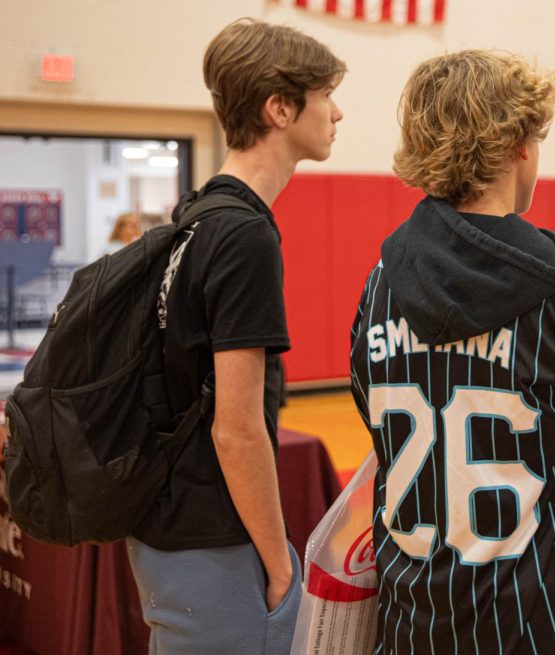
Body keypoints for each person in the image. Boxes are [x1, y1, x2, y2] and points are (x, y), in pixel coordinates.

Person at [350, 49, 555, 653]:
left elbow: (372, 415)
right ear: (519, 143)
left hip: (415, 613)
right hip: (540, 615)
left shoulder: (382, 280)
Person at [125, 18, 344, 654]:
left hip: (165, 523)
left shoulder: (194, 214)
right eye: (326, 96)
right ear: (280, 108)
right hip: (211, 537)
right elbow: (237, 425)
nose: (338, 112)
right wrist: (279, 561)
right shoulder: (244, 234)